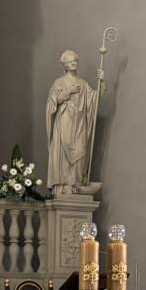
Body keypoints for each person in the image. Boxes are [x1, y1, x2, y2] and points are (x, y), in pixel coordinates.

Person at [45, 50, 101, 195]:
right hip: (64, 121)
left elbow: (93, 100)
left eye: (75, 61)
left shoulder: (83, 84)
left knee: (80, 150)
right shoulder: (59, 82)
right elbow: (52, 103)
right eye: (70, 62)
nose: (73, 63)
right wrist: (68, 91)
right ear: (65, 65)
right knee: (63, 154)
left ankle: (76, 183)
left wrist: (102, 83)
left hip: (80, 122)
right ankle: (64, 185)